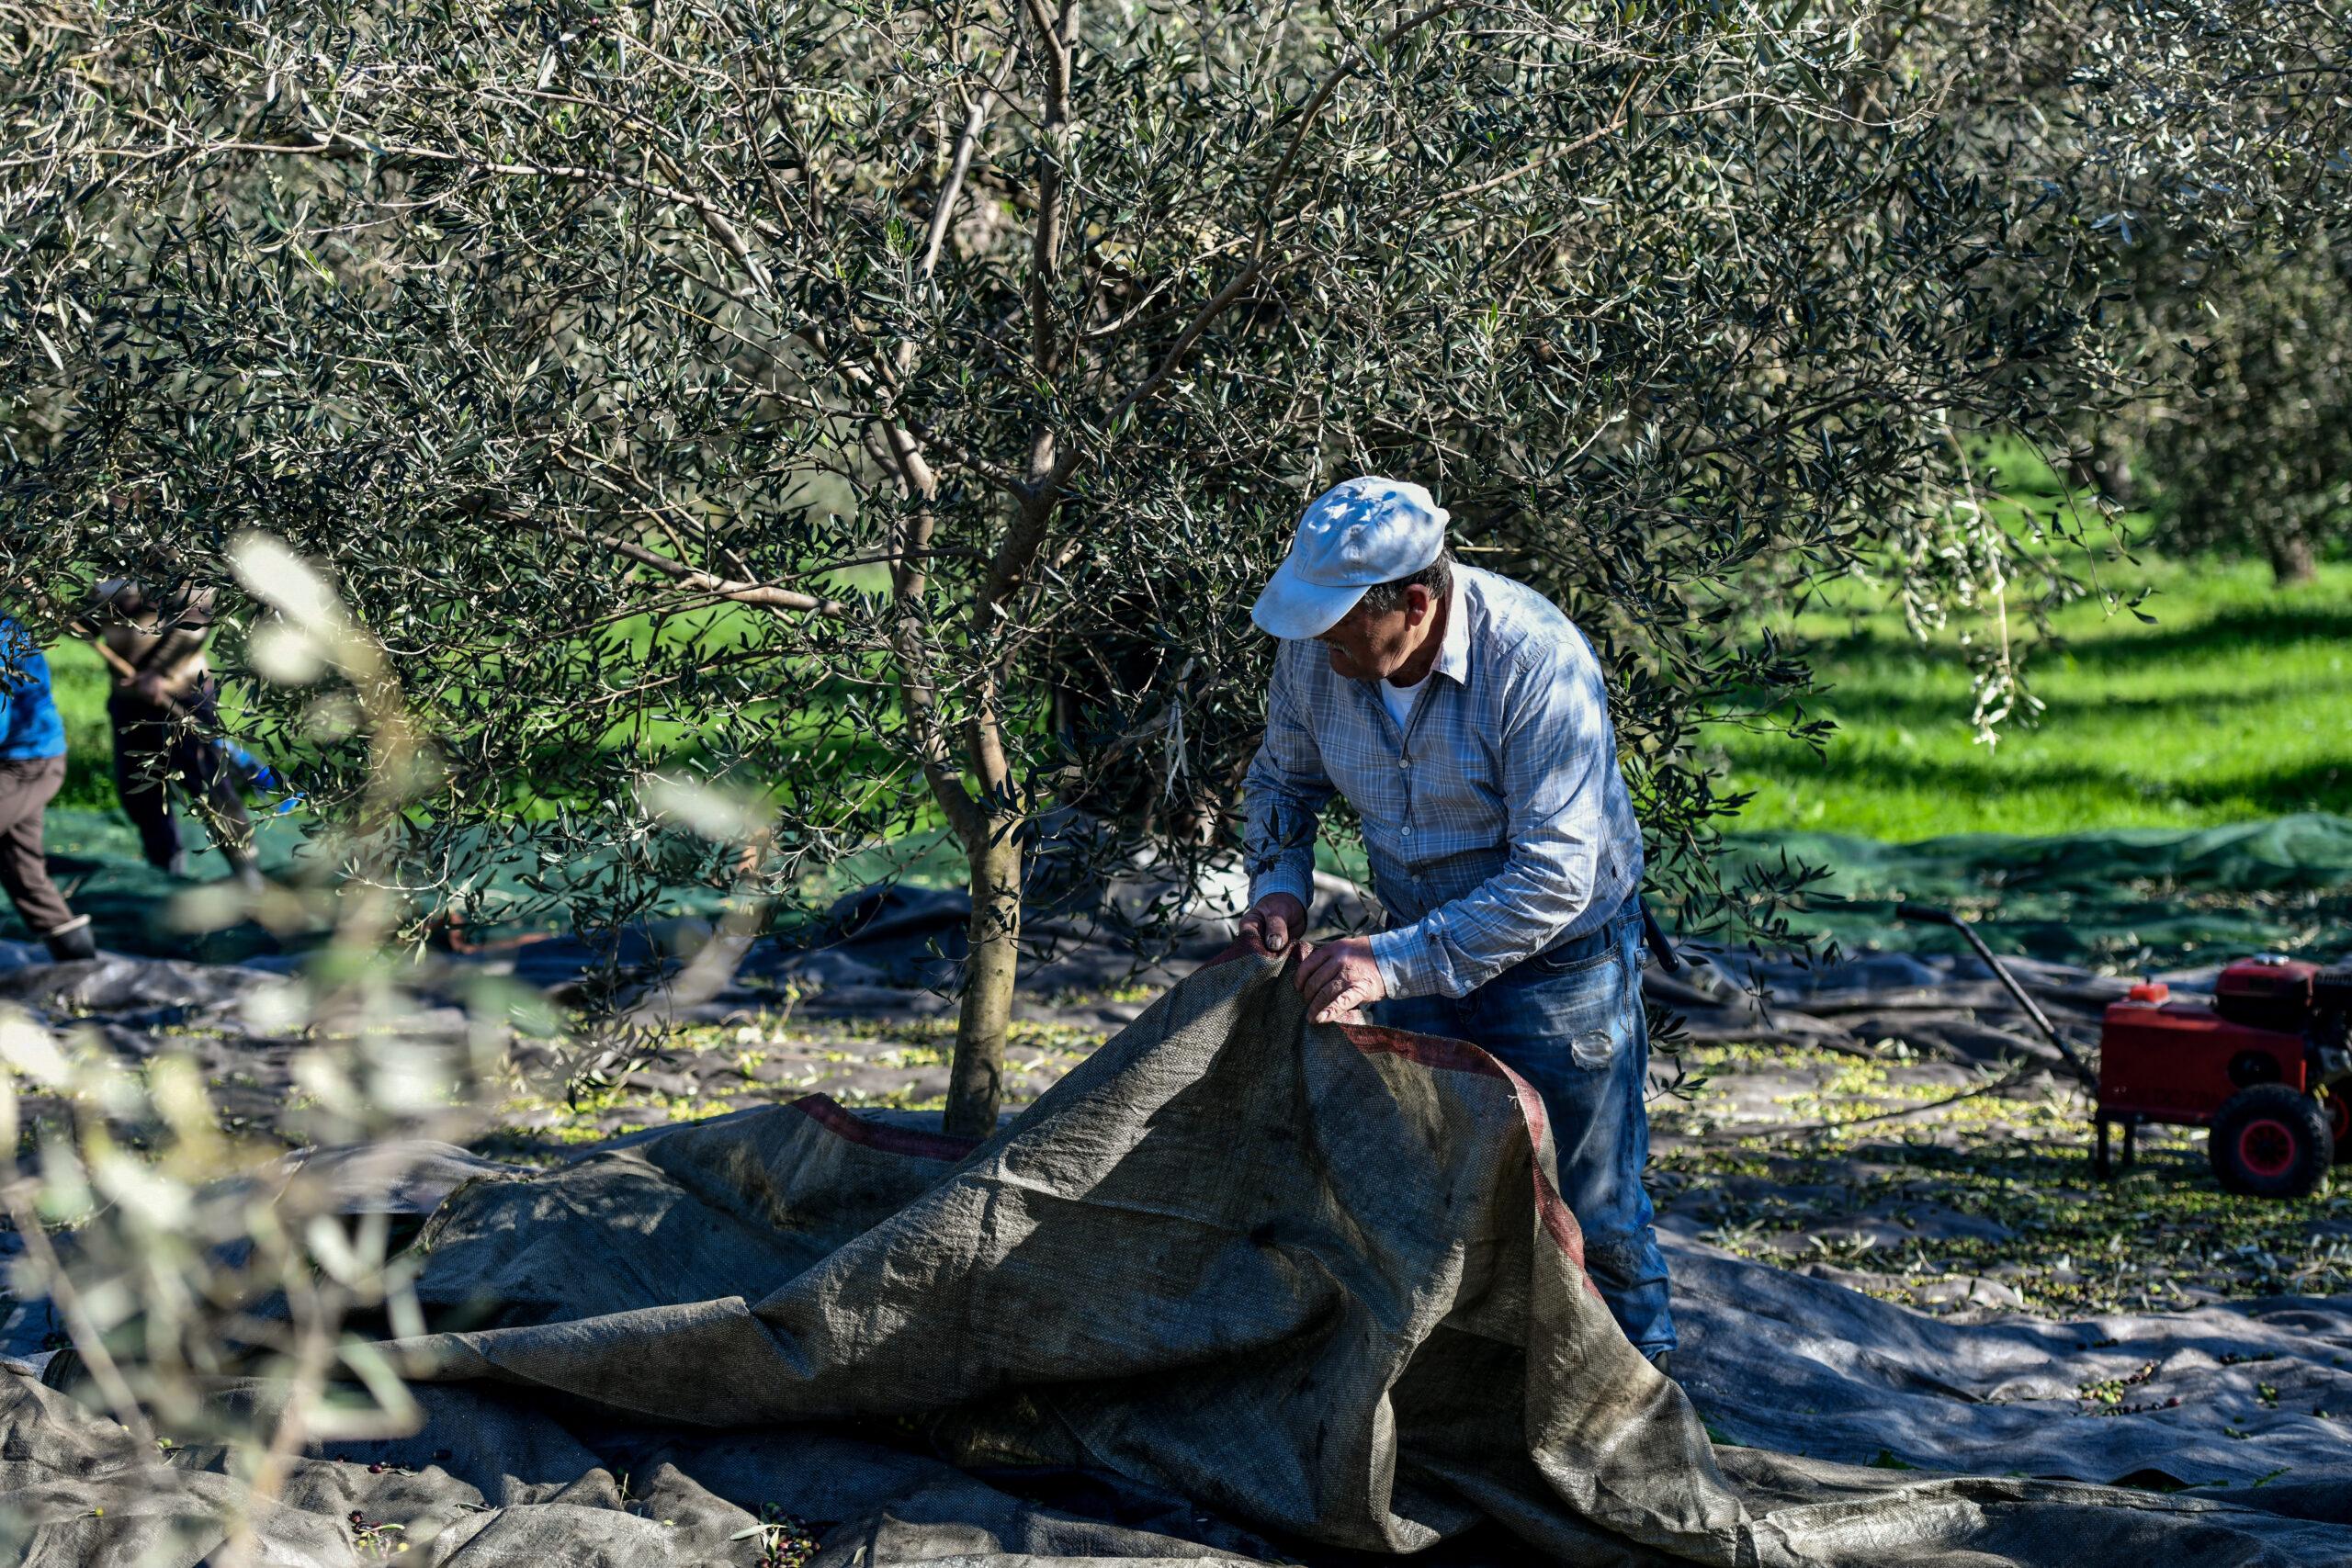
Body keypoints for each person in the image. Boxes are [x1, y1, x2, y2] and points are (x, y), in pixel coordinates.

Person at [1237, 477, 1672, 1371]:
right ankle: (1473, 1413)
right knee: (1434, 1204)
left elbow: (1555, 877)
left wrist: (1387, 965)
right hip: (1413, 950)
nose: (1319, 642)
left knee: (1593, 1218)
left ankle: (1644, 1420)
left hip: (1561, 974)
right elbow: (1281, 781)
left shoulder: (1535, 661)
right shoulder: (1316, 656)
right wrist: (1278, 885)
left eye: (1338, 622)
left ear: (1415, 604)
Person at [84, 581, 261, 889]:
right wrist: (44, 604)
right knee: (140, 791)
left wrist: (158, 673)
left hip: (182, 695)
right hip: (128, 701)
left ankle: (248, 873)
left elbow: (194, 622)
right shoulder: (107, 567)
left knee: (208, 784)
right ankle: (166, 870)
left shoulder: (178, 562)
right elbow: (85, 621)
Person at [0, 618, 97, 962]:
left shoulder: (4, 636)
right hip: (20, 760)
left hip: (30, 763)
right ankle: (81, 966)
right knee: (23, 873)